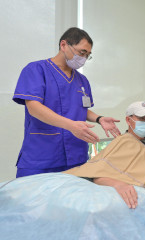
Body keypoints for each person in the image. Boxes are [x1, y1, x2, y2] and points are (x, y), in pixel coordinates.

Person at [13, 27, 120, 178]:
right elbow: (34, 108)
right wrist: (71, 126)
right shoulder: (36, 70)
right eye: (81, 52)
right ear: (64, 45)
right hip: (41, 157)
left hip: (76, 158)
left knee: (73, 200)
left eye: (87, 55)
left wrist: (99, 118)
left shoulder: (82, 81)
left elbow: (80, 108)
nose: (83, 59)